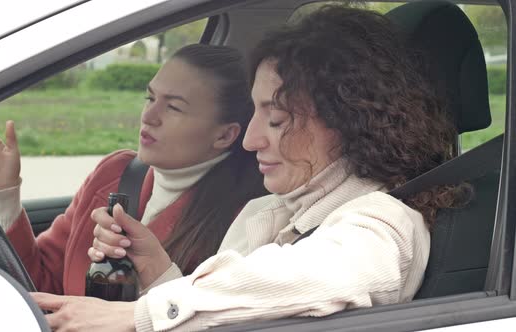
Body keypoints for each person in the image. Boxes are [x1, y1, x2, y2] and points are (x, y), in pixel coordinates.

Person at [31, 5, 471, 331]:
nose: (250, 139)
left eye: (276, 119)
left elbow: (319, 275)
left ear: (346, 121)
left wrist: (138, 316)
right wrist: (159, 271)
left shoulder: (382, 221)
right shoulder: (273, 211)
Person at [0, 44, 267, 295]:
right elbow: (40, 283)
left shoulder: (249, 221)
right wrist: (3, 191)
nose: (149, 116)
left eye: (173, 107)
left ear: (225, 135)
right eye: (150, 98)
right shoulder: (114, 173)